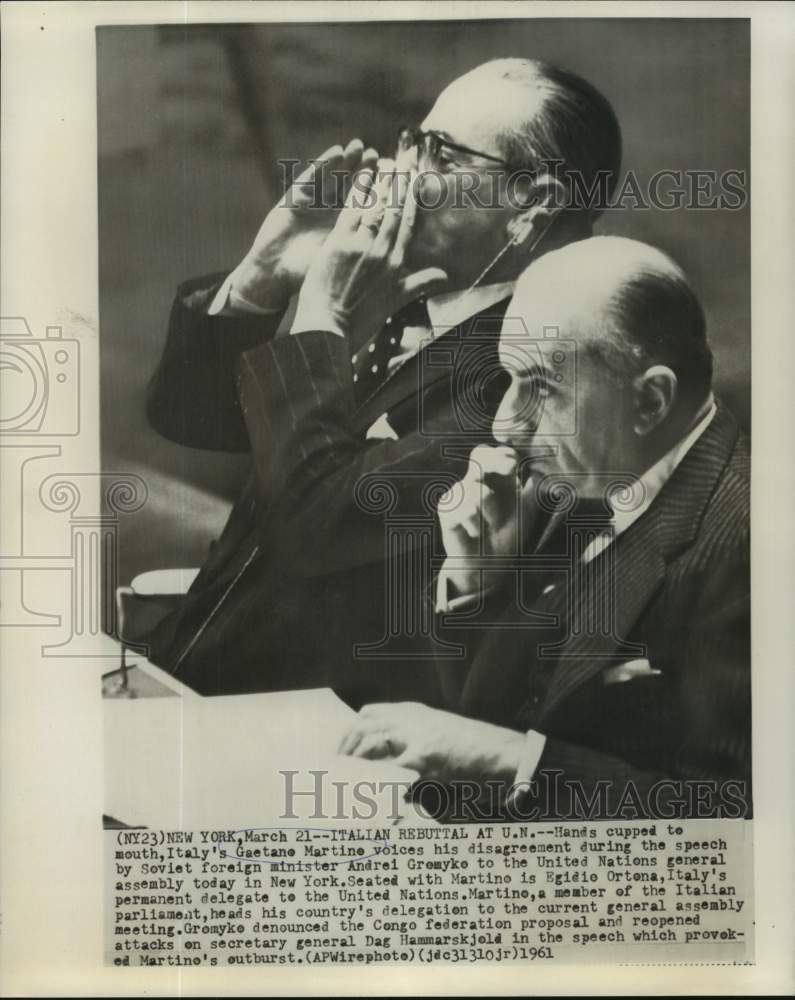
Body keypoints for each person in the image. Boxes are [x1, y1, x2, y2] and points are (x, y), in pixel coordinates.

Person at [141, 58, 622, 702]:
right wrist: (263, 275)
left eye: (441, 155)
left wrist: (321, 318)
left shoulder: (544, 372)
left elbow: (319, 527)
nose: (398, 176)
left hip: (323, 738)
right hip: (200, 677)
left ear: (532, 200)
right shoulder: (414, 293)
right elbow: (191, 416)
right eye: (411, 143)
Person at [339, 236, 751, 821]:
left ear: (651, 400)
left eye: (543, 388)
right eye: (508, 379)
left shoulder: (752, 541)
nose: (505, 424)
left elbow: (734, 820)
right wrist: (479, 582)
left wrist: (512, 760)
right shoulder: (584, 474)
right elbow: (500, 707)